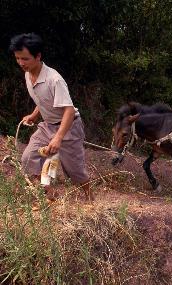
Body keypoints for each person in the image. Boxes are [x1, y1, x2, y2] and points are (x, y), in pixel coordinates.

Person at [10, 33, 92, 201]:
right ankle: (49, 194)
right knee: (28, 158)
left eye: (25, 59)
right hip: (47, 125)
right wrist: (34, 115)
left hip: (69, 126)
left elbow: (68, 111)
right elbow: (43, 100)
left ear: (38, 56)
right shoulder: (28, 74)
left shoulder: (54, 80)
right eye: (18, 58)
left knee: (75, 172)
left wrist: (58, 138)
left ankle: (90, 198)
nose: (21, 63)